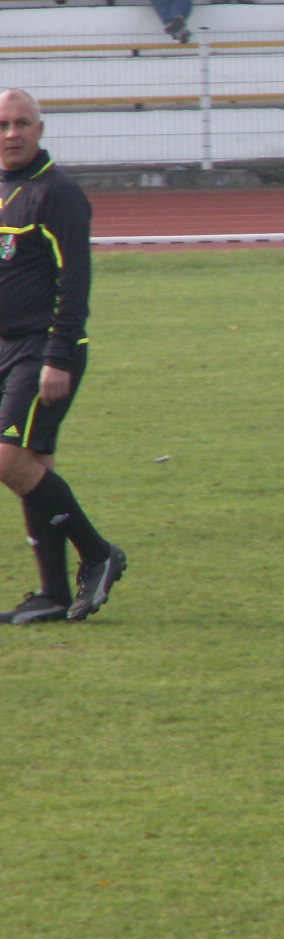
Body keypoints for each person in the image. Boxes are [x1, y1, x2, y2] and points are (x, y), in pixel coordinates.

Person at [0, 89, 127, 625]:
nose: (12, 134)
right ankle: (52, 592)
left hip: (45, 349)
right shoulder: (5, 188)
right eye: (3, 124)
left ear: (40, 129)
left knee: (7, 460)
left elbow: (75, 283)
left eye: (22, 123)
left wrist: (59, 356)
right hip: (6, 348)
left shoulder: (59, 193)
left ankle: (98, 553)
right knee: (34, 468)